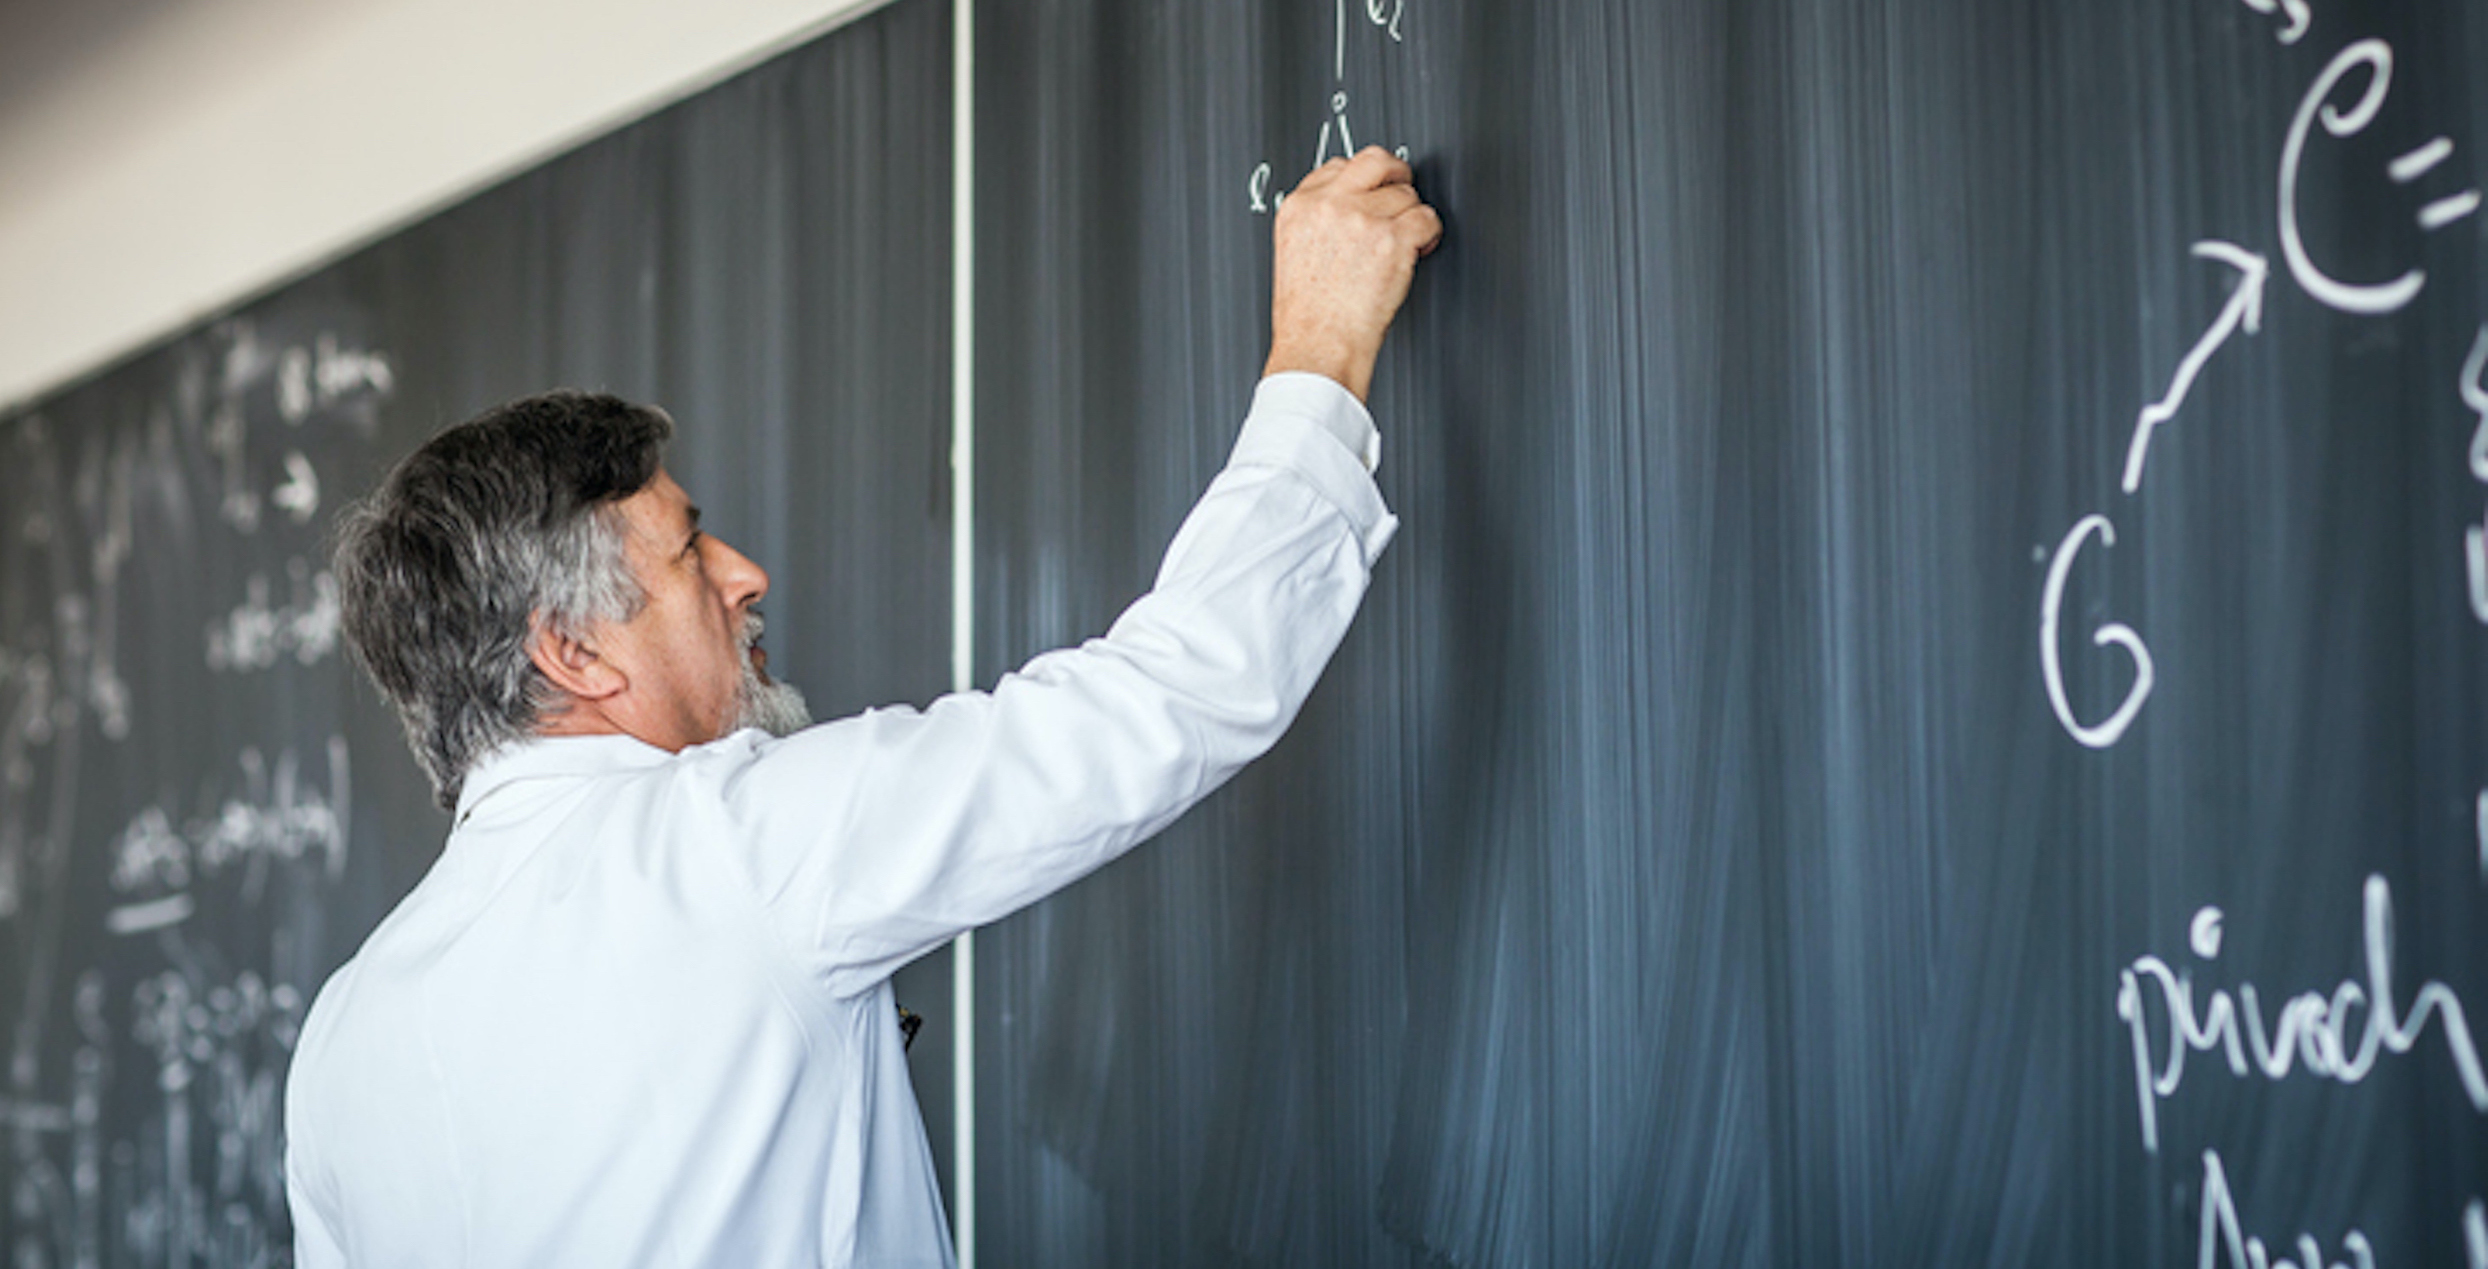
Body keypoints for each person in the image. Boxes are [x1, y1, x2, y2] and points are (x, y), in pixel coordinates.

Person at [282, 146, 1441, 1267]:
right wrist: (1320, 351)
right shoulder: (733, 843)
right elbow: (1173, 692)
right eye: (691, 553)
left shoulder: (341, 1039)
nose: (745, 576)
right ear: (573, 649)